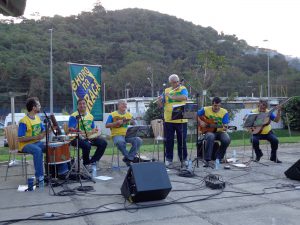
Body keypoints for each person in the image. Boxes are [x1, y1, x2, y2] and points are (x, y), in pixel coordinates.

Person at [18, 97, 68, 184]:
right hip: (25, 145)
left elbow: (43, 132)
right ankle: (40, 177)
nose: (40, 107)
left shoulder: (37, 118)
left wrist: (52, 127)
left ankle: (62, 172)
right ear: (34, 107)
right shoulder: (24, 121)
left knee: (53, 146)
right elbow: (20, 138)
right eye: (38, 105)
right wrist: (36, 137)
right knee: (38, 151)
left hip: (37, 143)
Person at [157, 74, 188, 167]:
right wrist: (159, 100)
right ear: (170, 83)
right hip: (169, 119)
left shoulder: (183, 88)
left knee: (182, 140)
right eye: (173, 82)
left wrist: (171, 97)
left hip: (181, 120)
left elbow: (184, 97)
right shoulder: (166, 90)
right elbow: (161, 106)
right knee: (169, 140)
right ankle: (168, 159)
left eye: (176, 82)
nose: (175, 84)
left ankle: (183, 159)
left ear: (179, 81)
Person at [68, 98, 107, 168]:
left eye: (84, 104)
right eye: (80, 104)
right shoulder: (73, 116)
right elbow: (71, 130)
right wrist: (75, 129)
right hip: (76, 138)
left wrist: (95, 131)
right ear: (77, 106)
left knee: (103, 143)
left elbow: (92, 129)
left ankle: (93, 161)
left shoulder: (90, 116)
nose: (82, 105)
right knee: (87, 145)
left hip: (88, 137)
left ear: (86, 105)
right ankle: (86, 163)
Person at [105, 99, 142, 166]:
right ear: (118, 105)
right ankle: (130, 158)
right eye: (123, 104)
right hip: (117, 135)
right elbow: (107, 125)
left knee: (138, 140)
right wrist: (116, 123)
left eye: (126, 104)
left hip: (128, 135)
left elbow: (135, 125)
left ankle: (128, 158)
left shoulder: (129, 115)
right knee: (120, 142)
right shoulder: (112, 114)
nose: (125, 105)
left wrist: (134, 122)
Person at [197, 97, 231, 167]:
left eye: (219, 106)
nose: (217, 107)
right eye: (215, 105)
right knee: (210, 136)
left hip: (220, 132)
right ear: (212, 104)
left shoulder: (224, 112)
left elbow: (225, 125)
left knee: (226, 139)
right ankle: (207, 160)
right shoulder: (205, 109)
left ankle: (218, 158)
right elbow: (196, 114)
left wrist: (225, 128)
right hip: (208, 132)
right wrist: (201, 122)